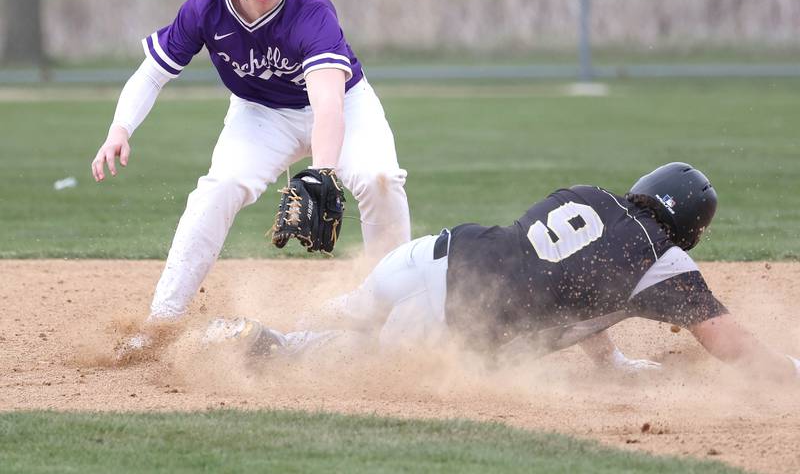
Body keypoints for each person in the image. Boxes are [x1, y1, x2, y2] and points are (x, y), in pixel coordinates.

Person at [91, 0, 411, 330]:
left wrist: (322, 172)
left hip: (344, 105)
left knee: (379, 178)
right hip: (260, 113)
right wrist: (120, 129)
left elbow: (329, 103)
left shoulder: (311, 10)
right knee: (219, 188)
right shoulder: (206, 7)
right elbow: (153, 73)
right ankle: (163, 320)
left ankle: (392, 310)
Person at [209, 162, 800, 382]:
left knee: (358, 308)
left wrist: (610, 359)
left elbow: (573, 272)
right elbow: (733, 346)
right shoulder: (664, 264)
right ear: (693, 226)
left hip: (432, 253)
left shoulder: (590, 194)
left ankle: (224, 330)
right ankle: (274, 344)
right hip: (454, 320)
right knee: (348, 360)